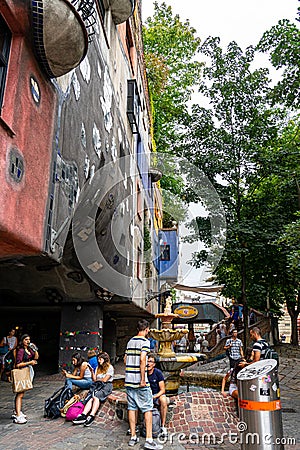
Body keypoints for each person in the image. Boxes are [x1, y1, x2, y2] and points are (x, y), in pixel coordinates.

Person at [124, 319, 163, 449]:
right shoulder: (145, 342)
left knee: (132, 408)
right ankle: (149, 439)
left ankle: (133, 437)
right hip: (140, 382)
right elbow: (142, 359)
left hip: (129, 380)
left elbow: (125, 359)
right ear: (146, 330)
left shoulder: (130, 342)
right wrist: (142, 379)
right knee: (147, 409)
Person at [73, 352, 114, 427]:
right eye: (98, 359)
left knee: (95, 396)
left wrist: (98, 380)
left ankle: (92, 415)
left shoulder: (110, 368)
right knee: (91, 397)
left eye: (100, 359)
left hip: (106, 386)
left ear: (105, 360)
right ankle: (84, 414)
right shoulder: (98, 368)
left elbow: (105, 380)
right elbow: (95, 379)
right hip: (98, 385)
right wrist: (92, 372)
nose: (99, 361)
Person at [12, 334, 39, 424]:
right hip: (22, 372)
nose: (28, 341)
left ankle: (17, 411)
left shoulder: (29, 349)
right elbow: (18, 364)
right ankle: (18, 415)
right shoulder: (21, 350)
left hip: (28, 371)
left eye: (29, 339)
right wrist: (29, 362)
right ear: (22, 340)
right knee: (20, 393)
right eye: (26, 339)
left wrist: (35, 350)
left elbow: (36, 357)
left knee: (21, 393)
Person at [147, 353, 168, 437]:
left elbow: (163, 390)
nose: (148, 363)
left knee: (163, 400)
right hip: (146, 395)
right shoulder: (143, 372)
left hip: (157, 395)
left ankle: (162, 426)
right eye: (147, 361)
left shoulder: (158, 373)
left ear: (154, 364)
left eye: (151, 361)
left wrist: (154, 396)